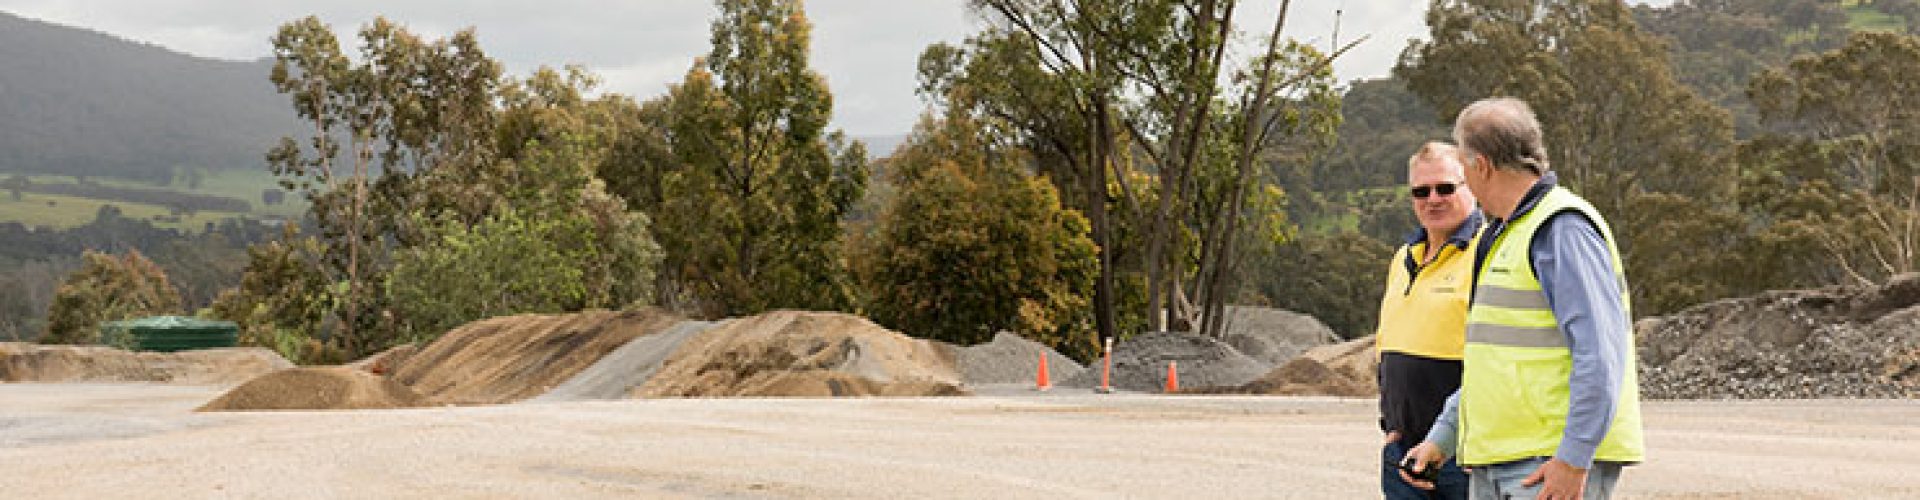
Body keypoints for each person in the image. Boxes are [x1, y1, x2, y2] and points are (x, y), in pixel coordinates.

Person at [1401, 98, 1645, 500]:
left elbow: (1600, 354)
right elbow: (1492, 365)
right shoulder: (1504, 236)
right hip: (1500, 464)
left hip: (1547, 467)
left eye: (1461, 166)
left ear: (1482, 166)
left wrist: (1573, 457)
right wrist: (1442, 437)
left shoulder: (1562, 229)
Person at [1375, 142, 1481, 499]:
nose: (1432, 199)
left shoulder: (1489, 253)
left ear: (1471, 187)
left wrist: (1469, 438)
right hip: (1402, 452)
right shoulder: (1403, 258)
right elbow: (1386, 344)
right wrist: (1391, 427)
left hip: (1462, 457)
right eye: (1421, 191)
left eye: (1445, 188)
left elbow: (1498, 357)